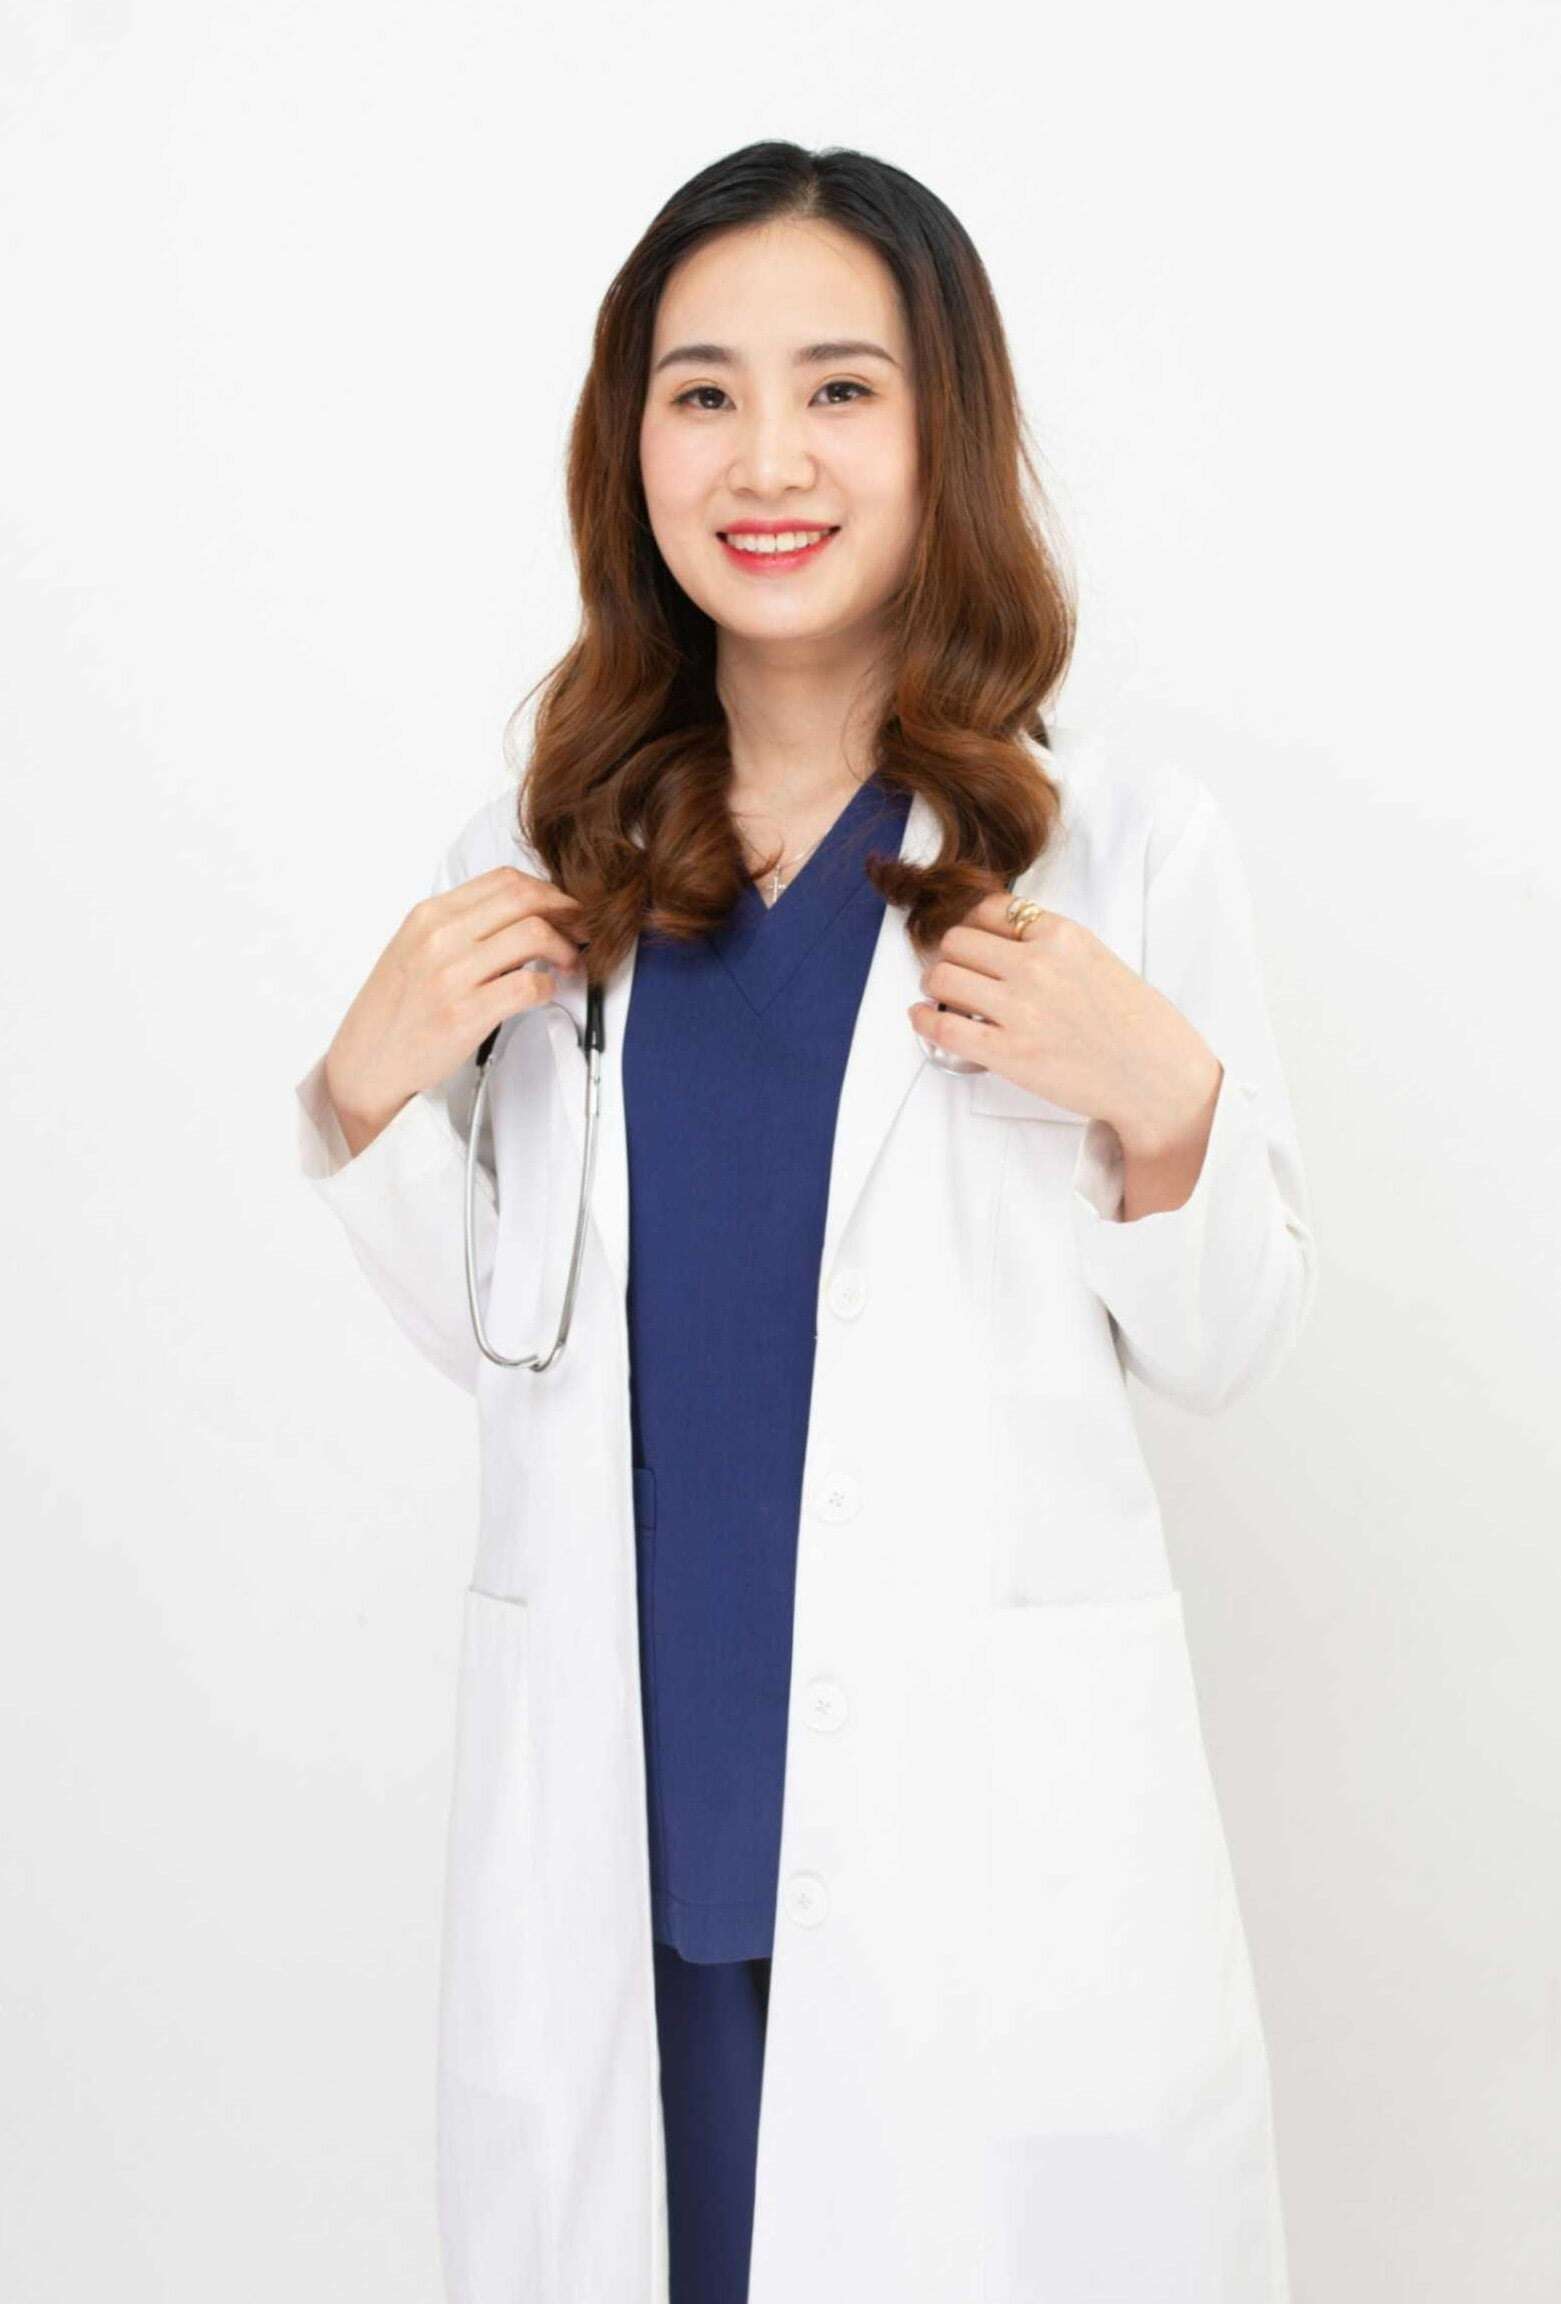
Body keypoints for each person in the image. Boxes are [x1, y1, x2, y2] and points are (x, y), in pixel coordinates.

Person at [295, 140, 1317, 2304]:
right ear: (631, 442)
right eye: (703, 393)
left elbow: (1223, 1342)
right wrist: (362, 1095)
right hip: (638, 1826)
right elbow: (503, 1344)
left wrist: (1163, 1098)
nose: (767, 459)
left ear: (944, 429)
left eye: (841, 389)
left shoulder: (1112, 850)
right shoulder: (539, 857)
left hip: (975, 1870)